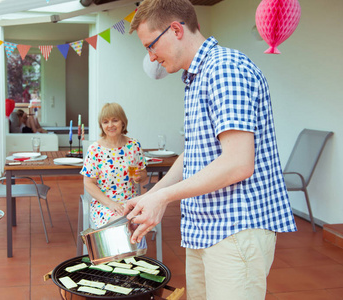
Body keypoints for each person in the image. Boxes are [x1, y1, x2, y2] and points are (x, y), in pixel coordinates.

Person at [124, 1, 297, 299]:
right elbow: (193, 153)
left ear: (176, 29)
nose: (151, 57)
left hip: (235, 228)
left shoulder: (224, 69)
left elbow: (238, 164)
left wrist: (164, 197)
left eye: (151, 45)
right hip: (205, 228)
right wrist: (152, 196)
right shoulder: (196, 75)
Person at [80, 102, 148, 228]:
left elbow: (143, 174)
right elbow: (88, 183)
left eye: (115, 120)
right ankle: (129, 248)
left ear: (123, 122)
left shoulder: (134, 145)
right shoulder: (95, 149)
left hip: (131, 201)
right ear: (101, 125)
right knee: (122, 222)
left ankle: (135, 248)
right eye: (105, 122)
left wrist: (139, 177)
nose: (110, 125)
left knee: (143, 218)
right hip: (104, 204)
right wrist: (110, 203)